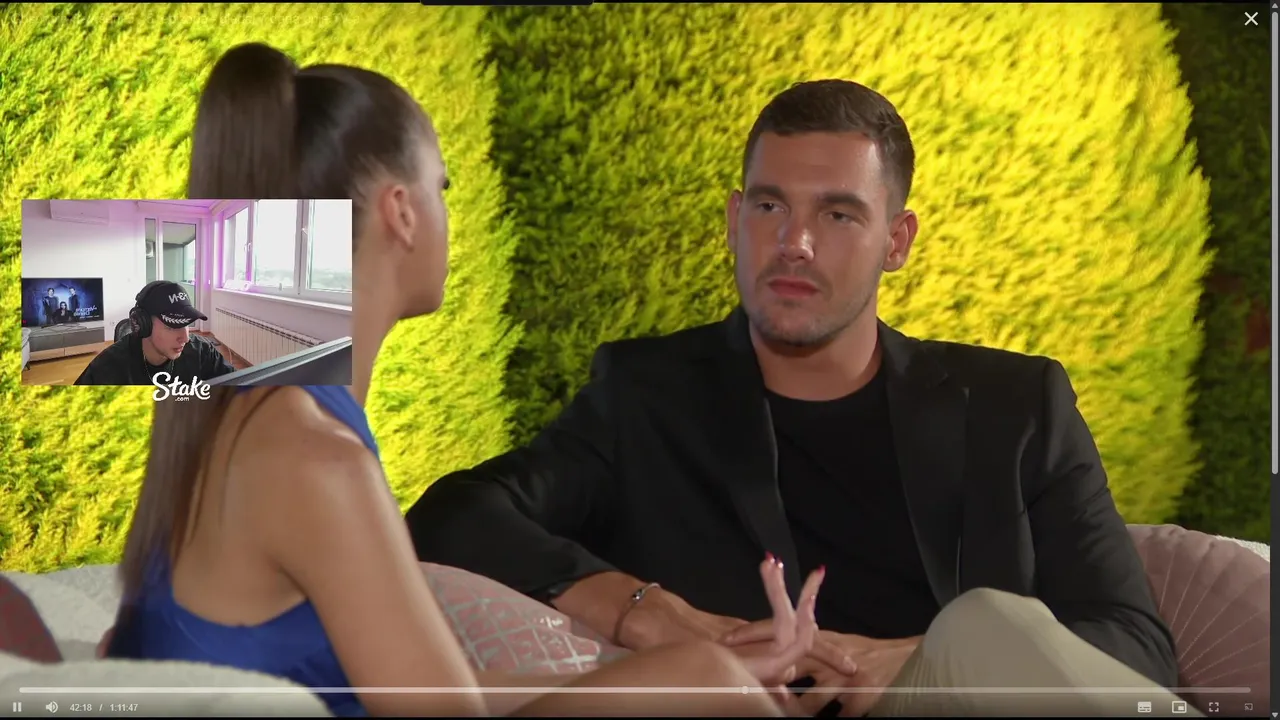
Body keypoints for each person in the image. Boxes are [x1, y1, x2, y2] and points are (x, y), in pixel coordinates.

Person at [405, 80, 1196, 718]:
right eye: (769, 206)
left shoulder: (1015, 406)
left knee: (987, 623)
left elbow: (1134, 648)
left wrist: (924, 659)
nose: (794, 243)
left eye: (838, 214)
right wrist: (644, 610)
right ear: (733, 219)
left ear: (897, 242)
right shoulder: (650, 394)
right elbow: (455, 514)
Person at [103, 42, 826, 719]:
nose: (449, 212)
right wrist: (699, 680)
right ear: (401, 211)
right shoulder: (313, 457)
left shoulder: (248, 409)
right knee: (710, 681)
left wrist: (672, 674)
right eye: (442, 187)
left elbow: (432, 688)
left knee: (705, 676)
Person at [74, 280, 235, 386]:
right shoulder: (109, 367)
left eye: (186, 324)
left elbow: (240, 393)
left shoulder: (202, 352)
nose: (185, 338)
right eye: (172, 327)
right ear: (142, 324)